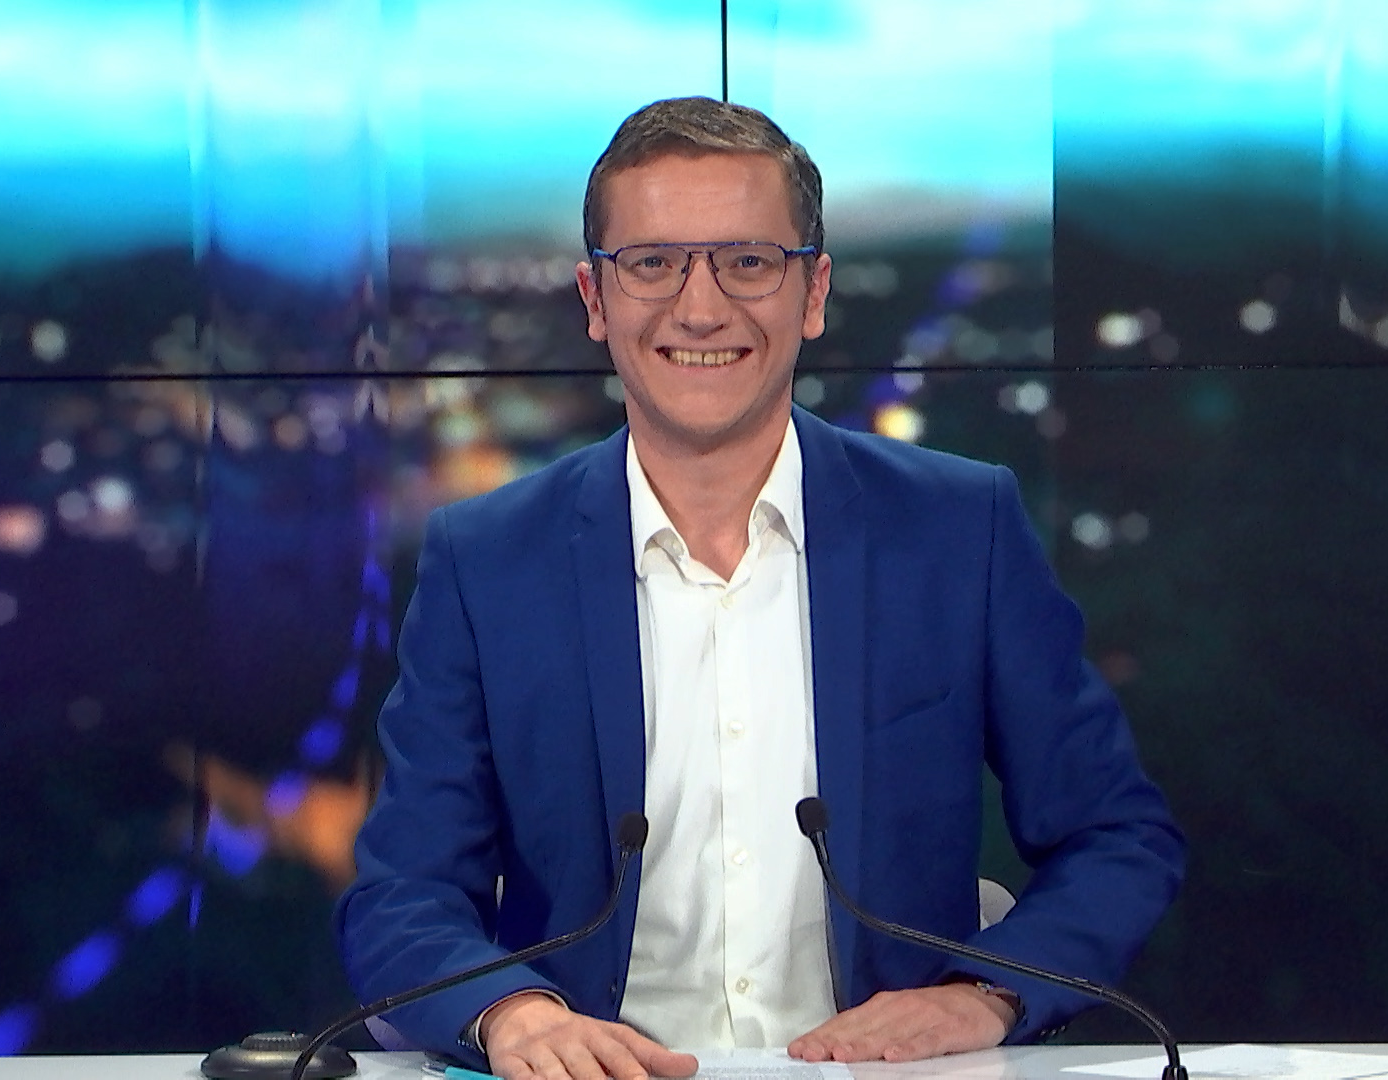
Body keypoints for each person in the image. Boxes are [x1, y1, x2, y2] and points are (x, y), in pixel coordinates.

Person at [337, 96, 1184, 1080]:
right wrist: (512, 1016)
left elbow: (1117, 838)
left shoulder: (960, 530)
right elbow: (400, 894)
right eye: (652, 263)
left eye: (747, 262)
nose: (701, 308)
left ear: (813, 292)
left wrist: (985, 995)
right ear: (595, 298)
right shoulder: (487, 560)